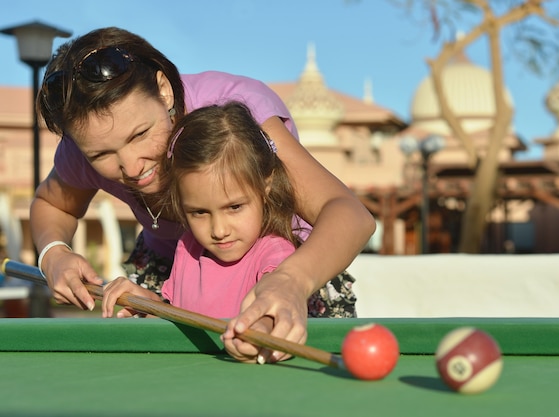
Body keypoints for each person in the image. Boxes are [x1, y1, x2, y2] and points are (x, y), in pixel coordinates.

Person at [32, 27, 375, 363]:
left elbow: (350, 215)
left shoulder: (235, 116)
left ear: (164, 90)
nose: (131, 167)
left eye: (140, 134)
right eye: (101, 156)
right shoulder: (87, 141)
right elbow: (52, 204)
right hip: (174, 276)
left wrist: (289, 281)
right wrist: (53, 254)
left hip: (290, 273)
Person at [103, 102, 304, 361]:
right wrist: (147, 304)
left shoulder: (275, 254)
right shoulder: (188, 247)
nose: (219, 230)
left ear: (265, 187)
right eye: (199, 212)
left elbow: (272, 313)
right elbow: (181, 323)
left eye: (234, 207)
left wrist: (260, 331)